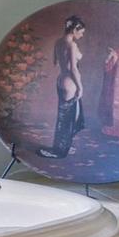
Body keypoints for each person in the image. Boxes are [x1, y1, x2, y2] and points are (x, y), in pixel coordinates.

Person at [37, 15, 87, 159]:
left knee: (67, 116)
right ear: (75, 30)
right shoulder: (72, 45)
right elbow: (73, 69)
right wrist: (80, 86)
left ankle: (63, 145)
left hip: (61, 80)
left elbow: (55, 62)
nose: (82, 35)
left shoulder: (59, 42)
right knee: (67, 119)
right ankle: (59, 150)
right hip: (70, 82)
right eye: (81, 32)